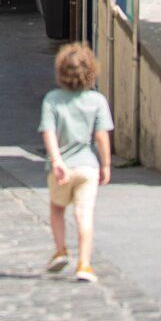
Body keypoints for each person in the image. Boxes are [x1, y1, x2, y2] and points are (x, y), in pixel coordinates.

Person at [40, 41, 113, 283]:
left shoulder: (52, 100)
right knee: (84, 214)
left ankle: (61, 250)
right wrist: (106, 165)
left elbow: (49, 133)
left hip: (63, 168)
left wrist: (56, 161)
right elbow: (101, 136)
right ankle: (84, 263)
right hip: (87, 166)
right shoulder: (97, 101)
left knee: (57, 209)